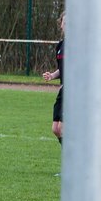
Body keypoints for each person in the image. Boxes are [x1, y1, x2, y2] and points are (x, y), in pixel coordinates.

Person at [41, 12, 64, 145]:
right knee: (55, 129)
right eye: (64, 22)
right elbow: (62, 69)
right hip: (63, 91)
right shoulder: (60, 46)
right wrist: (52, 75)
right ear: (61, 25)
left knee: (63, 127)